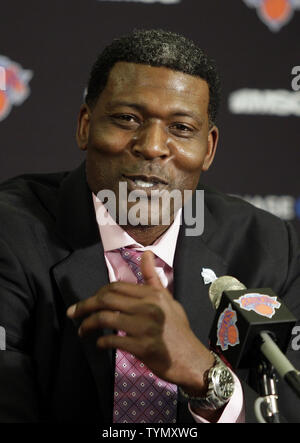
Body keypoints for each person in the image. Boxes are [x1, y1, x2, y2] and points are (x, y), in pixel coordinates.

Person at [0, 29, 299, 424]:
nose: (153, 146)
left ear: (208, 149)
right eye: (127, 119)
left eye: (181, 128)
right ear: (85, 126)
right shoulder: (12, 232)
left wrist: (206, 376)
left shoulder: (268, 247)